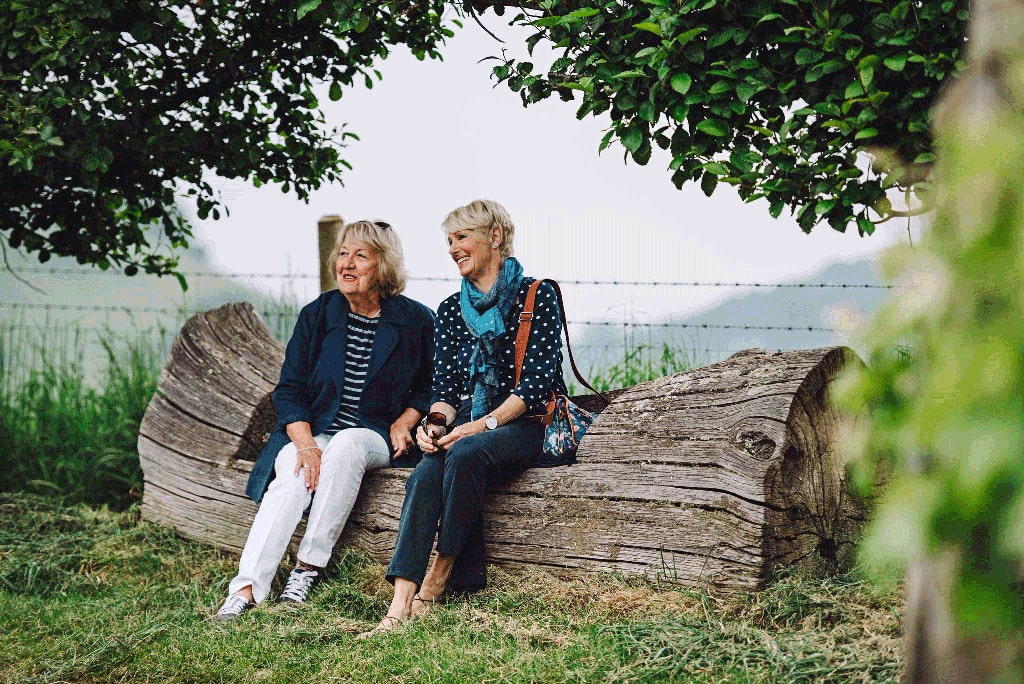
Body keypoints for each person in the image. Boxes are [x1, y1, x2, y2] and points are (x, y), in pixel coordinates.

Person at [359, 199, 567, 637]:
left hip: (526, 423)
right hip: (469, 425)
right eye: (449, 240)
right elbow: (447, 390)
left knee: (466, 452)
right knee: (426, 467)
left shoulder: (537, 295)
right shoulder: (452, 309)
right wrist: (434, 425)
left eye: (462, 237)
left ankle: (439, 578)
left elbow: (535, 386)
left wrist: (480, 425)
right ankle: (399, 605)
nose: (453, 248)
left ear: (495, 236)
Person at [215, 219, 434, 622]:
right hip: (312, 431)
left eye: (360, 256)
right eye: (342, 253)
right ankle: (245, 589)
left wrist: (405, 420)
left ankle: (306, 569)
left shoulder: (416, 320)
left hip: (374, 434)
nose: (345, 264)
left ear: (383, 265)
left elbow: (429, 386)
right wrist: (305, 444)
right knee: (293, 476)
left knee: (348, 443)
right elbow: (289, 389)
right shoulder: (318, 314)